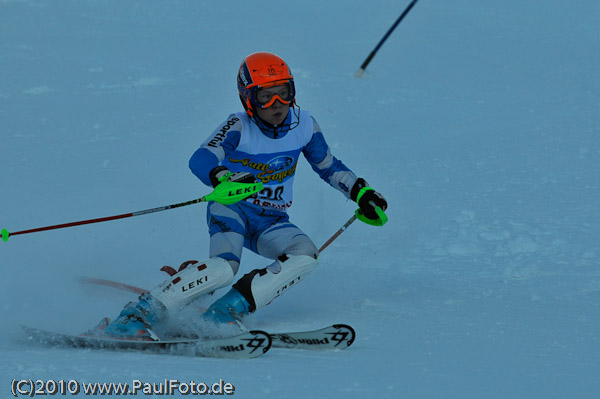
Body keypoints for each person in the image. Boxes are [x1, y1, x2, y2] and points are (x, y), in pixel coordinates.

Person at [88, 52, 387, 340]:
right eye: (264, 95)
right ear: (247, 97)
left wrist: (362, 193)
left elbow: (329, 167)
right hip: (231, 208)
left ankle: (223, 313)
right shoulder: (238, 126)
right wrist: (221, 176)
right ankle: (136, 316)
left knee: (306, 254)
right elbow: (201, 159)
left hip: (271, 219)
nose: (276, 103)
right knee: (223, 268)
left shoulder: (305, 125)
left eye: (283, 92)